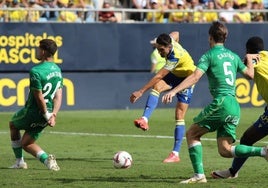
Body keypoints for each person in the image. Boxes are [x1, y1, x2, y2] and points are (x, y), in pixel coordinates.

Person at [162, 21, 268, 184]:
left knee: (192, 134)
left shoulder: (209, 55)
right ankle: (263, 152)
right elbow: (250, 75)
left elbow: (195, 76)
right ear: (225, 38)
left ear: (210, 37)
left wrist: (174, 90)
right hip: (234, 105)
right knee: (225, 150)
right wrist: (251, 59)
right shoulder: (232, 56)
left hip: (222, 103)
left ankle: (199, 176)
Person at [130, 31, 196, 163]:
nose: (160, 53)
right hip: (176, 75)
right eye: (157, 49)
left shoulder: (174, 57)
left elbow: (159, 75)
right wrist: (174, 39)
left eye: (161, 50)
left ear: (169, 47)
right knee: (157, 87)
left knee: (179, 114)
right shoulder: (171, 41)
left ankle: (175, 153)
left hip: (187, 78)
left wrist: (141, 91)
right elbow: (176, 33)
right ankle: (144, 119)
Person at [211, 36, 268, 179]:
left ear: (248, 49)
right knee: (248, 138)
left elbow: (246, 70)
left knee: (248, 138)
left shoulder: (253, 58)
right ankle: (232, 172)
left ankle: (232, 172)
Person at [9, 39, 63, 171]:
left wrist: (46, 114)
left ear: (43, 52)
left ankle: (19, 162)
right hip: (48, 113)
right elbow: (58, 95)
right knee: (27, 143)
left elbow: (38, 97)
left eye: (39, 49)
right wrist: (53, 115)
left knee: (13, 125)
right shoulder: (57, 69)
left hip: (34, 111)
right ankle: (47, 161)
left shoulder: (36, 71)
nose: (37, 51)